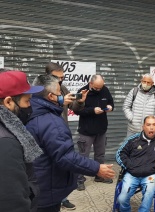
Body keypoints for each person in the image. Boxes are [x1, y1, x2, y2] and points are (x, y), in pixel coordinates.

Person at [25, 75, 115, 212]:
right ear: (50, 96)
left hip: (36, 183)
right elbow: (66, 157)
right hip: (46, 189)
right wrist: (97, 168)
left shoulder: (29, 110)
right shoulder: (50, 122)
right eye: (59, 92)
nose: (62, 94)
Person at [45, 62, 88, 210]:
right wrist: (59, 102)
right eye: (57, 78)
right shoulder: (40, 89)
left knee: (63, 167)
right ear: (48, 76)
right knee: (49, 168)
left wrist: (80, 102)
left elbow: (73, 108)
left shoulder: (62, 88)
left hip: (62, 132)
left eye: (62, 77)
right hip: (46, 133)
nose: (61, 80)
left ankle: (63, 198)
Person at [0, 70, 44, 212]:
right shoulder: (6, 142)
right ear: (8, 102)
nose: (30, 106)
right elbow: (12, 202)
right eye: (27, 101)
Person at [115, 115, 155, 212]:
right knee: (122, 199)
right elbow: (120, 154)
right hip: (132, 174)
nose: (151, 127)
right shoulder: (133, 140)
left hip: (150, 175)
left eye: (154, 125)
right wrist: (130, 166)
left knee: (148, 195)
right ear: (143, 127)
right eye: (148, 125)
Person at [74, 74, 115, 190]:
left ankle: (99, 176)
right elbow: (77, 111)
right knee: (83, 157)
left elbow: (111, 103)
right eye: (96, 88)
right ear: (90, 84)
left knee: (100, 155)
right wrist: (92, 111)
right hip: (86, 131)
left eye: (100, 87)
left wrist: (110, 107)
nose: (99, 90)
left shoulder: (104, 90)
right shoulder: (82, 92)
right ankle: (79, 180)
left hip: (101, 130)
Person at [123, 74, 155, 138]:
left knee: (147, 147)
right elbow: (126, 106)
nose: (146, 84)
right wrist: (131, 118)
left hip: (148, 131)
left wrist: (153, 121)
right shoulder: (134, 91)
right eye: (144, 82)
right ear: (141, 81)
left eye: (148, 82)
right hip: (133, 130)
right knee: (130, 147)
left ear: (152, 83)